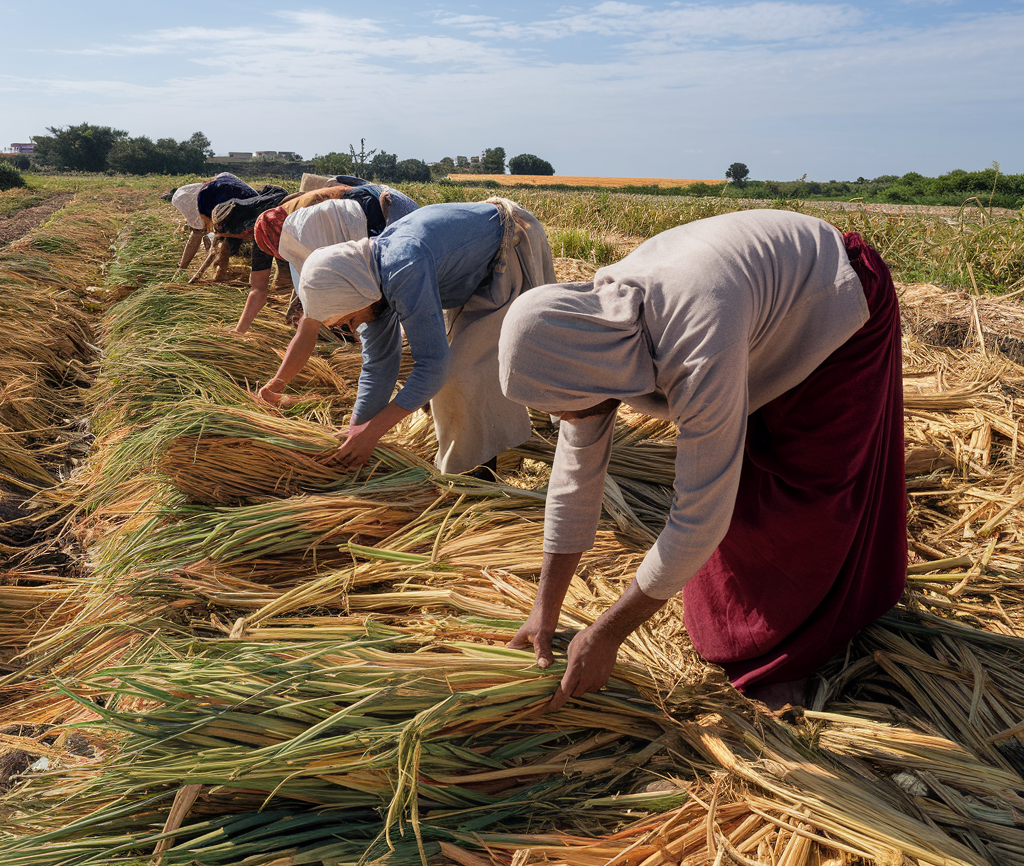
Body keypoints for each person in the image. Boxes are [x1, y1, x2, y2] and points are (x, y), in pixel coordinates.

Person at [497, 209, 906, 709]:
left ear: (583, 376)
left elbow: (699, 514)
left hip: (835, 302)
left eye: (563, 406)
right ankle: (748, 632)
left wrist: (607, 635)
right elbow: (574, 480)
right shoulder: (592, 340)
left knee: (805, 499)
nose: (565, 418)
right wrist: (545, 612)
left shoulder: (693, 335)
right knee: (746, 480)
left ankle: (795, 654)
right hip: (755, 316)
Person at [258, 199, 556, 475]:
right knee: (463, 373)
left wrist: (373, 433)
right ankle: (479, 464)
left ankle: (478, 475)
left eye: (348, 320)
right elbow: (379, 366)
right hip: (470, 275)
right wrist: (356, 433)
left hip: (508, 247)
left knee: (461, 375)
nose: (352, 329)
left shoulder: (402, 267)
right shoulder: (367, 283)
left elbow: (433, 366)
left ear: (355, 296)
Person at [230, 181, 420, 334]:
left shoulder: (307, 223)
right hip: (380, 207)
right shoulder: (269, 229)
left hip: (384, 214)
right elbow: (262, 288)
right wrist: (239, 332)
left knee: (382, 292)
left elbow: (333, 272)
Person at [170, 173, 256, 279]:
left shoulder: (219, 201)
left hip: (245, 218)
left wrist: (183, 268)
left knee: (219, 246)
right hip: (252, 210)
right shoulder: (221, 185)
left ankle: (221, 275)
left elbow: (197, 235)